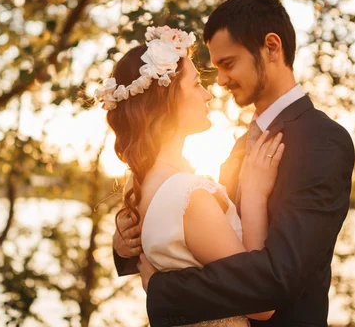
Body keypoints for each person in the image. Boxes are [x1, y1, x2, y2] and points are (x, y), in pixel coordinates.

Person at [112, 0, 355, 326]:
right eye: (214, 70)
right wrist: (127, 247)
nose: (221, 81)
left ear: (271, 48)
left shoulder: (321, 141)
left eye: (228, 64)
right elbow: (198, 237)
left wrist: (160, 288)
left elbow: (274, 280)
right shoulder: (243, 145)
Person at [95, 24, 285, 326]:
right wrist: (253, 195)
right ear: (167, 101)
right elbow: (261, 304)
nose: (208, 94)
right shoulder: (188, 195)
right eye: (196, 84)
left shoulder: (142, 181)